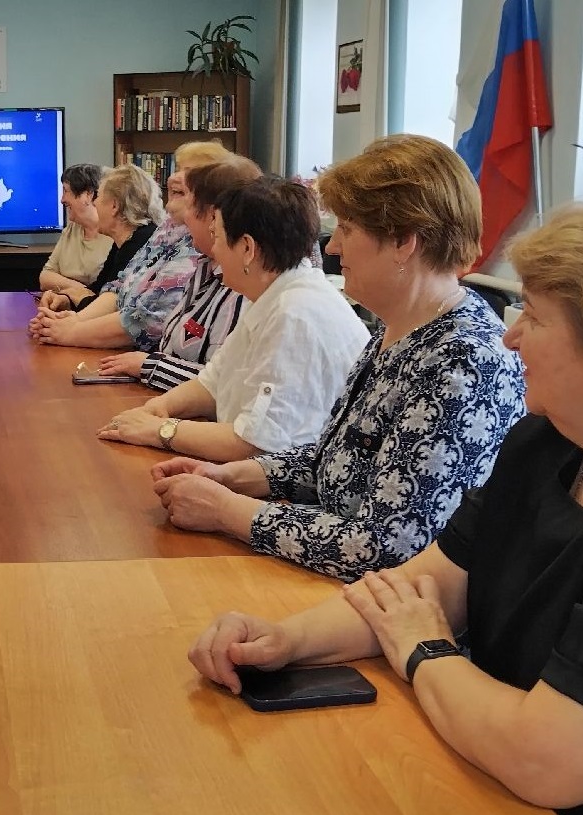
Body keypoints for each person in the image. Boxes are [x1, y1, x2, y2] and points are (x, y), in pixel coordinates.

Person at [187, 194, 583, 813]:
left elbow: (549, 761)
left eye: (533, 315)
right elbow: (424, 585)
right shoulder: (552, 436)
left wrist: (424, 651)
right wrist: (286, 639)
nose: (509, 336)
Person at [151, 134, 523, 576]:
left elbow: (384, 546)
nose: (331, 247)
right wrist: (235, 477)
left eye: (347, 228)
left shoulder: (463, 362)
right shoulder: (401, 328)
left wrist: (227, 511)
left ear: (404, 241)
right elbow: (335, 461)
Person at [99, 173, 367, 463]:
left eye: (217, 237)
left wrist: (160, 430)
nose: (213, 250)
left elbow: (256, 444)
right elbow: (213, 382)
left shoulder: (295, 315)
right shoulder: (272, 294)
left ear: (247, 248)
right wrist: (157, 408)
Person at [29, 141, 227, 350]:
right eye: (176, 169)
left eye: (188, 172)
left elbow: (146, 321)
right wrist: (73, 321)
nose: (173, 178)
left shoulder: (195, 246)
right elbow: (119, 287)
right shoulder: (168, 228)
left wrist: (71, 330)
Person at [95, 156, 260, 391]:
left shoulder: (241, 286)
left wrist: (151, 366)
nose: (184, 216)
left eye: (190, 205)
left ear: (214, 216)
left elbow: (222, 383)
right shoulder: (205, 268)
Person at [35, 164, 161, 314]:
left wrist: (69, 318)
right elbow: (99, 291)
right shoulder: (123, 242)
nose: (94, 203)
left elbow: (112, 308)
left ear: (115, 206)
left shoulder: (141, 243)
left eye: (99, 196)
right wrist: (67, 299)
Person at [35, 163, 112, 291]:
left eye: (66, 191)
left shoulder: (114, 233)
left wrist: (81, 294)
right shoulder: (72, 229)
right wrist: (81, 291)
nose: (62, 200)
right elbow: (45, 277)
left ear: (88, 195)